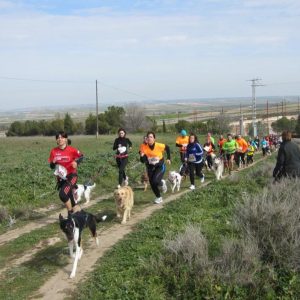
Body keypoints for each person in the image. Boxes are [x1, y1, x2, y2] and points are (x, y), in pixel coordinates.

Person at [48, 131, 84, 215]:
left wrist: (76, 163)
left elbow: (81, 156)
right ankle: (81, 215)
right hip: (61, 178)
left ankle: (70, 214)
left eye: (62, 137)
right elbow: (51, 166)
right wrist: (53, 163)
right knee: (71, 199)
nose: (60, 139)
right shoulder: (53, 151)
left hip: (72, 176)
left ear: (66, 139)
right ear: (56, 140)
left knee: (63, 195)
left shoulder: (72, 150)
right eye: (58, 138)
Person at [140, 131, 171, 204]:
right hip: (150, 167)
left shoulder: (159, 145)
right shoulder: (143, 147)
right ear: (146, 139)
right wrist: (142, 156)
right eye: (148, 137)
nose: (149, 138)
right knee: (152, 183)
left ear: (154, 139)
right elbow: (143, 161)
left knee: (155, 181)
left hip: (160, 166)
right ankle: (159, 197)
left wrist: (168, 158)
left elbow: (167, 148)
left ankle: (162, 183)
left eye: (151, 137)